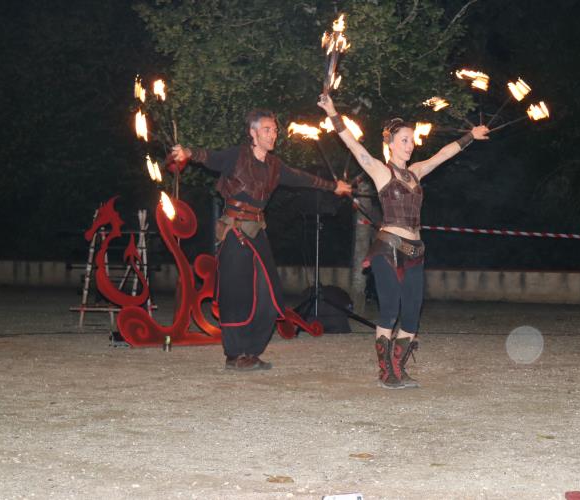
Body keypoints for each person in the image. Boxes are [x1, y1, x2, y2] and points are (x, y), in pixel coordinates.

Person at [317, 94, 489, 388]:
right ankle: (386, 372)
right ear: (391, 144)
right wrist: (333, 112)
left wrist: (470, 136)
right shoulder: (381, 172)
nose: (411, 145)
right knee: (390, 310)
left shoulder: (416, 172)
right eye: (405, 140)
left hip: (416, 251)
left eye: (412, 140)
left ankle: (398, 367)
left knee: (412, 313)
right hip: (389, 249)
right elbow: (353, 145)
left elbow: (443, 155)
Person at [171, 109, 351, 371]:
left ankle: (252, 351)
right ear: (253, 133)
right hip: (234, 232)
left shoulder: (275, 167)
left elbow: (303, 178)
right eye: (267, 129)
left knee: (270, 294)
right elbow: (208, 157)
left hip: (257, 232)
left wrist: (333, 187)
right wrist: (187, 152)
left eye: (275, 130)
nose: (273, 134)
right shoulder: (236, 156)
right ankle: (234, 354)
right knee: (235, 294)